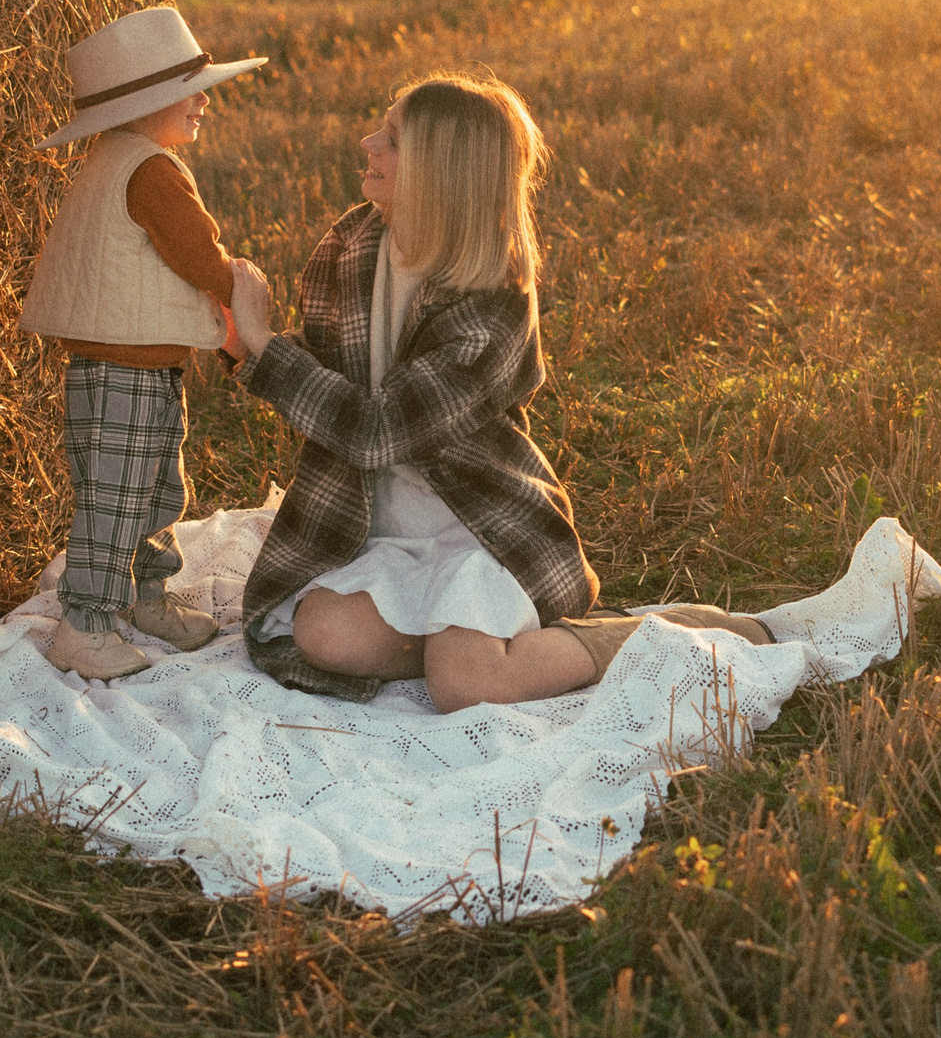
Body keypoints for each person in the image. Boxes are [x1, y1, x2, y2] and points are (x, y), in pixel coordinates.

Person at [223, 74, 790, 709]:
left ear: (440, 172)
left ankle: (666, 632)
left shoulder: (494, 298)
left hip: (481, 528)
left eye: (390, 140)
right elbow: (335, 380)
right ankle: (478, 641)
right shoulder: (351, 246)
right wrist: (244, 344)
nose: (366, 145)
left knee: (466, 687)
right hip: (379, 526)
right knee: (322, 637)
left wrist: (267, 348)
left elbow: (377, 430)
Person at [20, 6, 264, 680]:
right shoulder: (151, 171)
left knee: (155, 488)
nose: (203, 103)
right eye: (191, 92)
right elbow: (195, 251)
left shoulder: (120, 160)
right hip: (121, 372)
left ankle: (145, 595)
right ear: (148, 102)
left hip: (142, 367)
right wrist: (237, 291)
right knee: (116, 496)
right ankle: (85, 624)